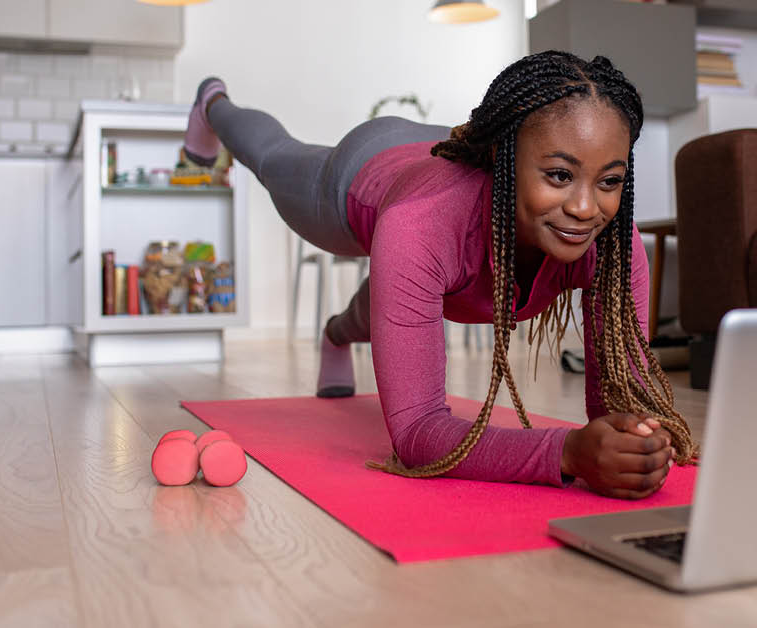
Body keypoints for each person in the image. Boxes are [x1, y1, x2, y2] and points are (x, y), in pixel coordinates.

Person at [182, 51, 697, 499]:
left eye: (609, 180)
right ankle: (212, 105)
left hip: (435, 208)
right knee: (275, 159)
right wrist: (566, 453)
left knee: (407, 284)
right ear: (503, 157)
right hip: (364, 173)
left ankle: (336, 333)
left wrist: (637, 438)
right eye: (559, 175)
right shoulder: (419, 226)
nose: (586, 208)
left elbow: (620, 404)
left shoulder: (615, 246)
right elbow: (416, 435)